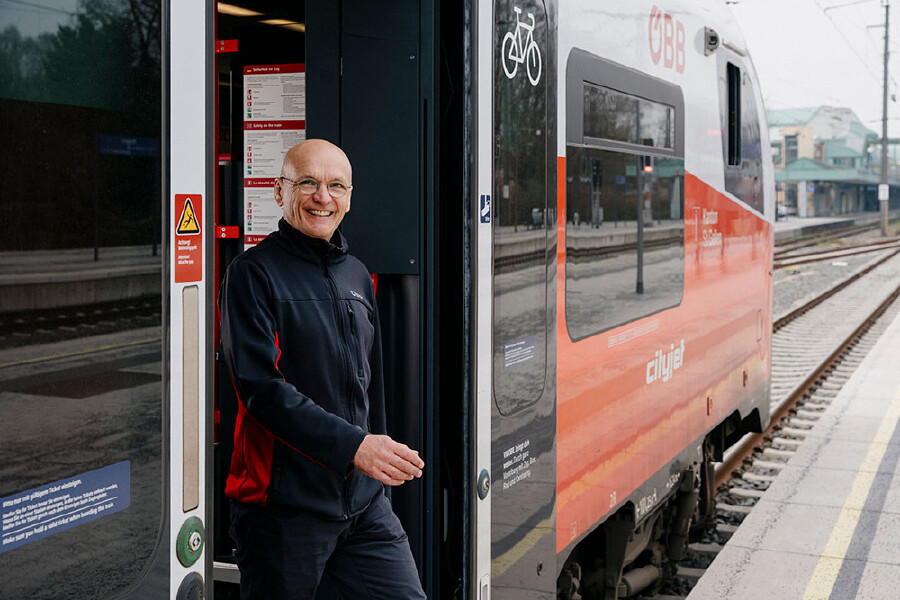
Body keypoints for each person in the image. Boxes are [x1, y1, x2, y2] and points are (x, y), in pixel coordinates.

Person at [219, 139, 426, 600]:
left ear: (349, 197)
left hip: (363, 506)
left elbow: (371, 390)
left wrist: (376, 472)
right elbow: (262, 390)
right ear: (279, 191)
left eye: (336, 185)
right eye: (307, 183)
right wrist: (355, 447)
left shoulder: (356, 274)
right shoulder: (252, 274)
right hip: (283, 513)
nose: (322, 197)